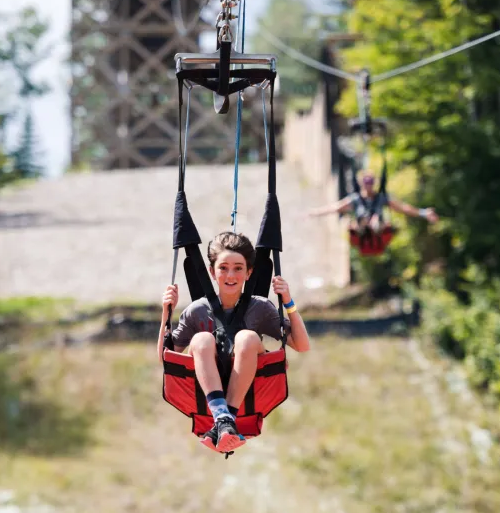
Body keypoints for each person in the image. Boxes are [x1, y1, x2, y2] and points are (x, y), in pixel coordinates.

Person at [159, 231, 310, 454]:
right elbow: (166, 359)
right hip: (206, 388)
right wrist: (165, 313)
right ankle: (223, 419)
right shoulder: (197, 311)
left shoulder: (261, 308)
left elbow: (302, 345)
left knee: (246, 338)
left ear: (249, 273)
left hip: (251, 387)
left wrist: (288, 302)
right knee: (201, 340)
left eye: (238, 268)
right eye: (223, 268)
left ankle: (223, 419)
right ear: (212, 272)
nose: (231, 274)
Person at [306, 171, 440, 233]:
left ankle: (373, 223)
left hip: (377, 227)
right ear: (361, 183)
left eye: (370, 182)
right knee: (362, 217)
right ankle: (365, 224)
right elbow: (335, 208)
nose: (369, 185)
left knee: (377, 217)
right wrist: (314, 212)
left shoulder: (381, 198)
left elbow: (403, 208)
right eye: (366, 182)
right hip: (361, 228)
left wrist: (423, 213)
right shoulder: (356, 199)